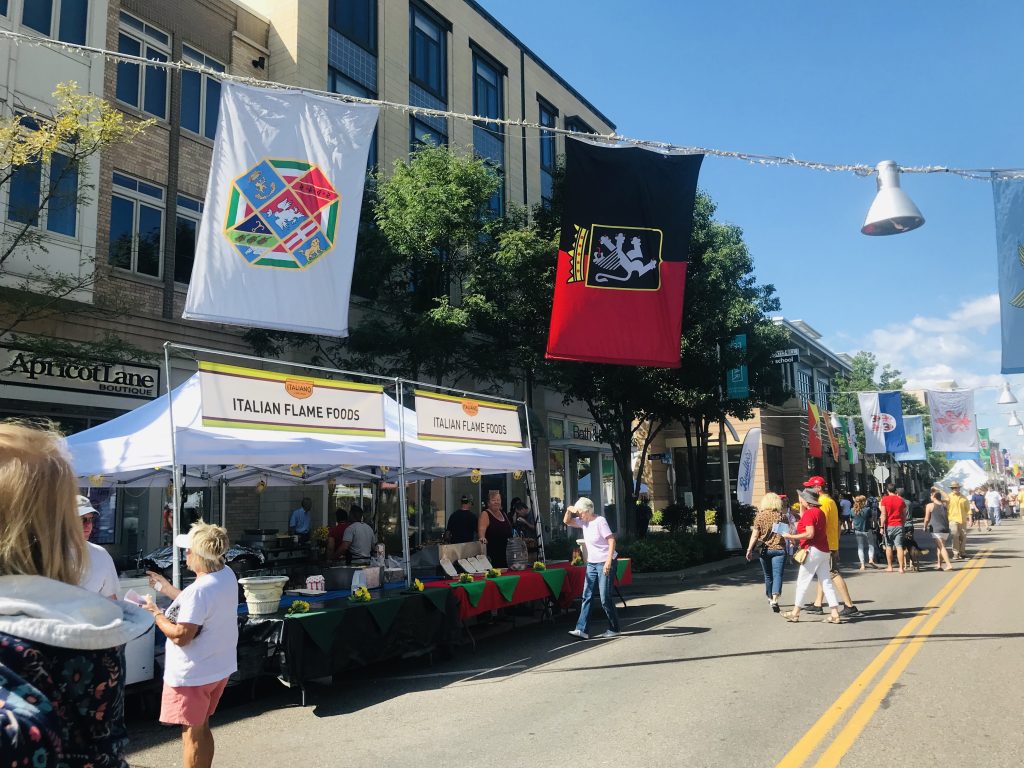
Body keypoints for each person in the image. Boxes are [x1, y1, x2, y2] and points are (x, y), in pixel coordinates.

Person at [0, 422, 152, 768]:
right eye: (79, 520)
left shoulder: (99, 556)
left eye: (88, 521)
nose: (86, 526)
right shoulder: (101, 653)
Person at [145, 521, 238, 768]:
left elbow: (181, 635)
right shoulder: (226, 574)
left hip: (194, 673)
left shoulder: (200, 590)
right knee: (202, 727)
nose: (184, 554)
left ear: (200, 554)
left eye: (188, 550)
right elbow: (198, 605)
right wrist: (165, 588)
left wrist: (156, 613)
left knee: (191, 737)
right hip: (217, 667)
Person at [780, 489, 842, 624]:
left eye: (801, 498)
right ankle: (835, 612)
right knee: (826, 582)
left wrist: (791, 536)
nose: (799, 500)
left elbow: (809, 534)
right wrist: (802, 501)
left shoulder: (809, 513)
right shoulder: (818, 512)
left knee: (802, 582)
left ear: (806, 500)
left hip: (812, 550)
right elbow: (806, 521)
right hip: (824, 550)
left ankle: (795, 613)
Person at [563, 497, 620, 639]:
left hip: (605, 562)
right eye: (579, 514)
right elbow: (566, 521)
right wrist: (569, 510)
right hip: (592, 563)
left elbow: (611, 540)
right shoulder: (583, 522)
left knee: (604, 598)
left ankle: (614, 627)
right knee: (586, 595)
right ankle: (581, 629)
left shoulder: (600, 521)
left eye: (581, 513)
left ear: (588, 511)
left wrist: (608, 562)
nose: (579, 516)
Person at [803, 477, 859, 616]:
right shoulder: (830, 501)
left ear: (818, 488)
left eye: (810, 487)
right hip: (830, 543)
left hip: (826, 544)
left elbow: (818, 524)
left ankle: (849, 605)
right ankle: (817, 604)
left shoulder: (822, 503)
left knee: (832, 573)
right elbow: (837, 525)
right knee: (824, 573)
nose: (808, 490)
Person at [745, 492, 788, 612]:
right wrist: (794, 543)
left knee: (768, 575)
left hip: (764, 550)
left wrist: (749, 549)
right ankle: (775, 598)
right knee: (777, 575)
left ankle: (769, 598)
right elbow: (786, 534)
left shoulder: (760, 516)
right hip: (779, 549)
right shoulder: (781, 516)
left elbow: (754, 535)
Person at [79, 495, 120, 598]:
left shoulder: (101, 554)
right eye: (82, 519)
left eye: (90, 519)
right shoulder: (51, 554)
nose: (88, 525)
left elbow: (111, 599)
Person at [478, 490, 513, 568]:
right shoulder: (485, 514)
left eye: (498, 500)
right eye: (493, 500)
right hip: (493, 558)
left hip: (507, 557)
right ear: (488, 503)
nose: (496, 502)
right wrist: (482, 538)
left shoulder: (503, 513)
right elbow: (481, 537)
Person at [879, 484, 907, 573]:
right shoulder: (901, 500)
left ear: (887, 490)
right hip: (899, 525)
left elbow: (883, 514)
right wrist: (902, 523)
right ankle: (901, 568)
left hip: (889, 526)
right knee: (899, 546)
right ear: (896, 491)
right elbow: (904, 514)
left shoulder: (884, 500)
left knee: (889, 546)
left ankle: (890, 566)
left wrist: (881, 526)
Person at [923, 490, 953, 571]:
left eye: (931, 495)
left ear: (934, 497)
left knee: (941, 547)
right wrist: (939, 491)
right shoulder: (944, 504)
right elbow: (947, 498)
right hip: (945, 528)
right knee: (939, 547)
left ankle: (948, 564)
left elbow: (926, 519)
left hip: (936, 528)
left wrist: (925, 527)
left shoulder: (930, 505)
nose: (930, 497)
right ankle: (939, 564)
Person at [851, 495, 877, 570]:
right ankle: (871, 559)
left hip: (857, 530)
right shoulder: (867, 509)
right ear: (864, 501)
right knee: (871, 544)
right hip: (867, 529)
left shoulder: (852, 510)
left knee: (860, 547)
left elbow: (852, 519)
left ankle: (862, 565)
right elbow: (871, 519)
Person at [947, 482, 970, 560]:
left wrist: (970, 518)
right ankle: (956, 553)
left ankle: (962, 552)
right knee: (955, 536)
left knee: (963, 536)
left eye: (956, 488)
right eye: (953, 488)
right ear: (951, 489)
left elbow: (968, 509)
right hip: (953, 519)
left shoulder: (963, 497)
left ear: (959, 488)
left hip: (962, 520)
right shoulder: (948, 497)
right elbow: (945, 508)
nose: (955, 489)